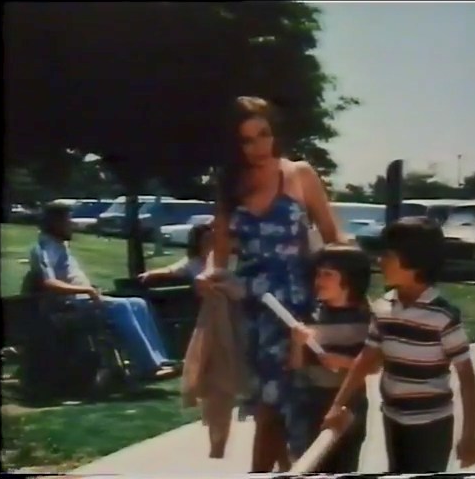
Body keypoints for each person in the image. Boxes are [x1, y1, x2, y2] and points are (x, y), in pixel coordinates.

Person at [196, 96, 343, 472]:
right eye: (247, 140)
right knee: (270, 401)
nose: (258, 146)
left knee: (279, 402)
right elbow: (220, 250)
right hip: (251, 310)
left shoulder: (300, 174)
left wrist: (349, 290)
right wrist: (208, 275)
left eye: (263, 134)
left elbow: (334, 238)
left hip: (295, 305)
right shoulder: (231, 183)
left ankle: (264, 471)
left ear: (275, 132)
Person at [321, 218, 475, 473]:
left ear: (413, 261)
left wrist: (469, 434)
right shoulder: (384, 308)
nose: (379, 261)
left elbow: (466, 376)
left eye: (388, 255)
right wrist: (338, 404)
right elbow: (366, 358)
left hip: (431, 426)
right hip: (393, 417)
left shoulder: (443, 316)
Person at [29, 202, 176, 379]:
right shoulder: (44, 248)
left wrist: (89, 290)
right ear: (55, 223)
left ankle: (159, 360)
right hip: (67, 307)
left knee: (139, 303)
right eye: (68, 220)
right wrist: (86, 290)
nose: (72, 224)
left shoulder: (60, 245)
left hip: (83, 300)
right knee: (121, 307)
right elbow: (49, 283)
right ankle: (148, 367)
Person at [289, 244, 374, 472]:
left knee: (344, 464)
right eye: (317, 274)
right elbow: (296, 365)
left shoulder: (367, 317)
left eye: (328, 274)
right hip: (311, 401)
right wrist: (297, 343)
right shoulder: (311, 316)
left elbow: (375, 365)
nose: (319, 280)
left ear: (350, 279)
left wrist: (343, 362)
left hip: (350, 402)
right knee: (310, 465)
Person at [138, 223, 213, 283]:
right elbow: (171, 270)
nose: (211, 243)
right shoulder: (192, 263)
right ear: (197, 243)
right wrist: (150, 274)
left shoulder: (217, 260)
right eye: (206, 240)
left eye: (212, 239)